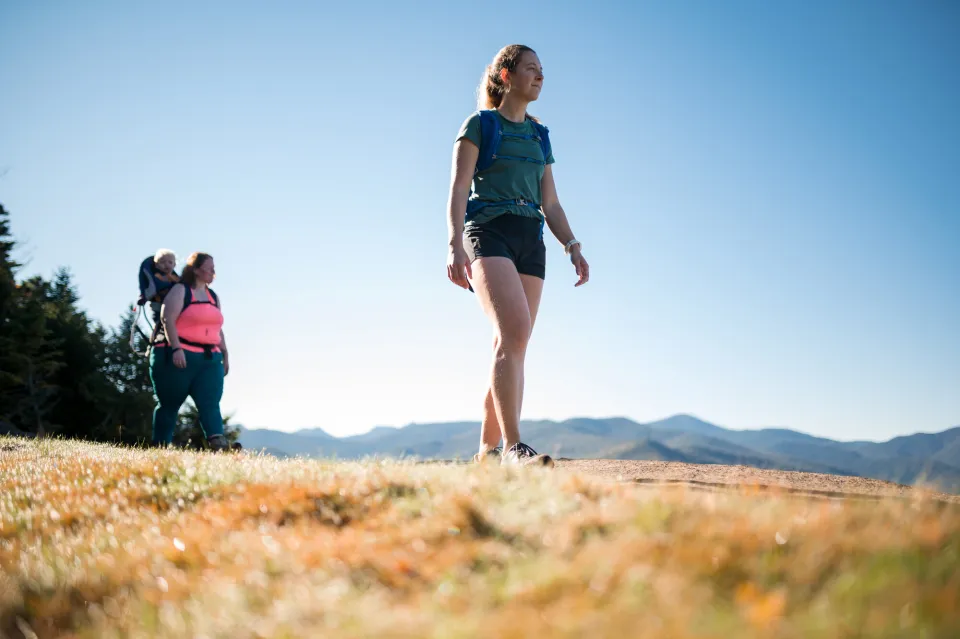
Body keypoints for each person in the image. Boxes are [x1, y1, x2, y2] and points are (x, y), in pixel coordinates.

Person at [446, 44, 590, 466]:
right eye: (531, 69)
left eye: (542, 70)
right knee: (515, 333)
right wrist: (454, 243)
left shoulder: (539, 135)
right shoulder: (479, 125)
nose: (540, 76)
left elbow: (553, 203)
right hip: (488, 232)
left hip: (532, 238)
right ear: (506, 76)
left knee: (511, 342)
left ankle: (486, 455)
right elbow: (457, 189)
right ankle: (513, 447)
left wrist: (573, 245)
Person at [149, 251, 233, 451]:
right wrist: (176, 348)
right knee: (169, 405)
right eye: (209, 267)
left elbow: (217, 328)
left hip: (209, 359)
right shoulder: (180, 291)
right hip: (177, 356)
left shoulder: (213, 297)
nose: (213, 271)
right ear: (196, 270)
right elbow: (167, 319)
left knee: (210, 402)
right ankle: (160, 446)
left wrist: (225, 354)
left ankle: (218, 444)